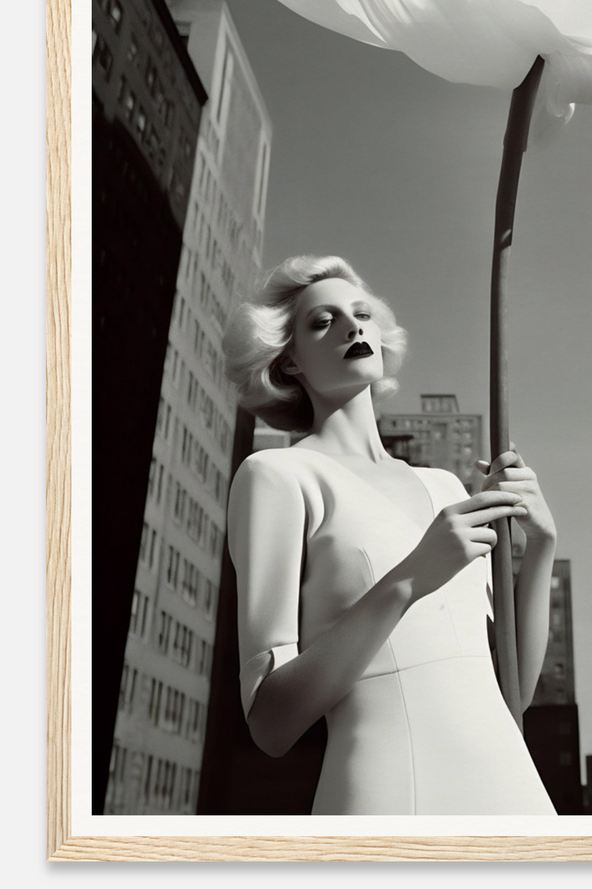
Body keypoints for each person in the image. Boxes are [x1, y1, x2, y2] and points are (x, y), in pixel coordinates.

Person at [221, 254, 558, 815]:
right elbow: (270, 722)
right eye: (322, 322)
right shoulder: (278, 477)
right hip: (393, 791)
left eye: (361, 314)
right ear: (289, 363)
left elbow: (512, 692)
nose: (353, 326)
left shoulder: (447, 486)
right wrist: (408, 579)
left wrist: (542, 546)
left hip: (514, 791)